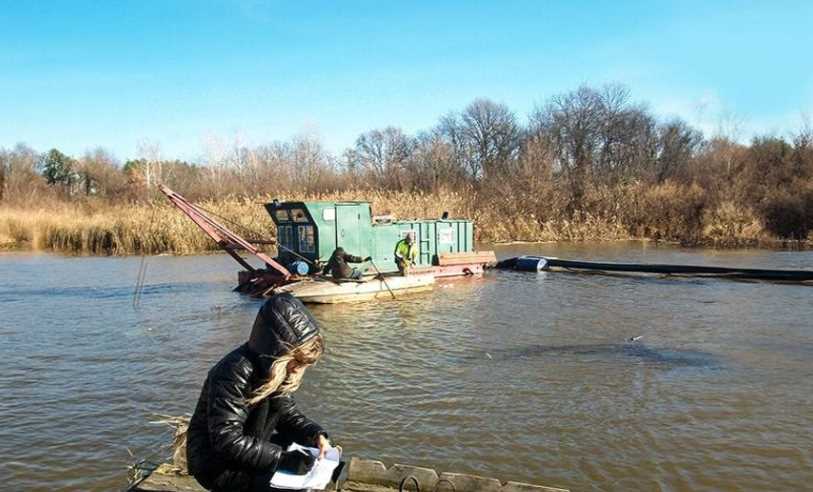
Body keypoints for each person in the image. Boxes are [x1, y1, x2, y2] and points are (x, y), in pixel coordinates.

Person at [186, 293, 330, 492]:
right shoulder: (233, 371)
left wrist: (315, 435)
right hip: (216, 463)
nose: (298, 369)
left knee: (310, 460)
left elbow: (287, 414)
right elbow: (227, 439)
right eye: (296, 361)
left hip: (249, 444)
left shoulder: (274, 369)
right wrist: (282, 459)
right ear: (278, 351)